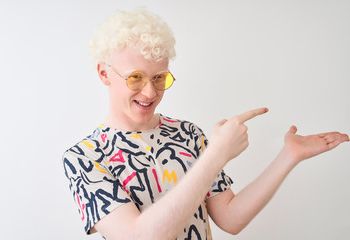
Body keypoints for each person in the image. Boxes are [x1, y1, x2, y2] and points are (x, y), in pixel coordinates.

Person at [62, 7, 349, 240]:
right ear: (104, 73)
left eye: (160, 78)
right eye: (135, 77)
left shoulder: (187, 134)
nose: (150, 93)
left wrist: (289, 156)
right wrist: (216, 155)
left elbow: (230, 219)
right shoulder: (84, 157)